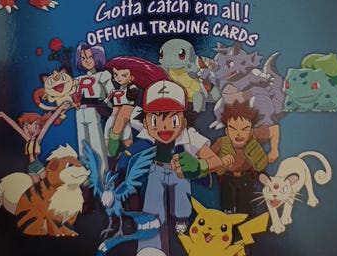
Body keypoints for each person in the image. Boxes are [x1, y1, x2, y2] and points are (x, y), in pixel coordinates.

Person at [126, 80, 222, 254]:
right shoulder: (145, 130)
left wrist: (199, 165)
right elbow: (126, 113)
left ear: (184, 121)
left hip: (179, 173)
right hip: (156, 170)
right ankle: (151, 248)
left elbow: (216, 161)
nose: (164, 126)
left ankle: (181, 220)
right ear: (146, 122)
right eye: (155, 119)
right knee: (152, 212)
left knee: (181, 205)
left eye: (174, 119)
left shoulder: (190, 135)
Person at [104, 56, 170, 157]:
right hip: (149, 135)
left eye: (123, 75)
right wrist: (114, 138)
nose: (118, 77)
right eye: (116, 74)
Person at [211, 100, 268, 215]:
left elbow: (262, 163)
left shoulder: (253, 145)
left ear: (251, 131)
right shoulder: (222, 142)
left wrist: (253, 158)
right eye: (233, 129)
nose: (238, 134)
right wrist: (221, 162)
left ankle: (244, 221)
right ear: (227, 131)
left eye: (244, 129)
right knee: (227, 206)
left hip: (246, 178)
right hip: (227, 178)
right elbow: (208, 159)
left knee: (245, 207)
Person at [0, 101, 70, 182]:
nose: (31, 130)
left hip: (37, 164)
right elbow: (15, 126)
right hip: (31, 167)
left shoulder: (38, 139)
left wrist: (60, 108)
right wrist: (3, 115)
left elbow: (48, 123)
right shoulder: (27, 139)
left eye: (35, 125)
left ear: (39, 127)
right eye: (27, 126)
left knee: (46, 181)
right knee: (36, 185)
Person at [74, 42, 114, 176]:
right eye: (83, 58)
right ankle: (86, 176)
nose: (86, 61)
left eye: (89, 57)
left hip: (94, 110)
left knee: (97, 144)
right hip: (79, 112)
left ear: (97, 57)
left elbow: (112, 94)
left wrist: (106, 105)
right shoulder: (78, 79)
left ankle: (103, 176)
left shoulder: (103, 75)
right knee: (82, 145)